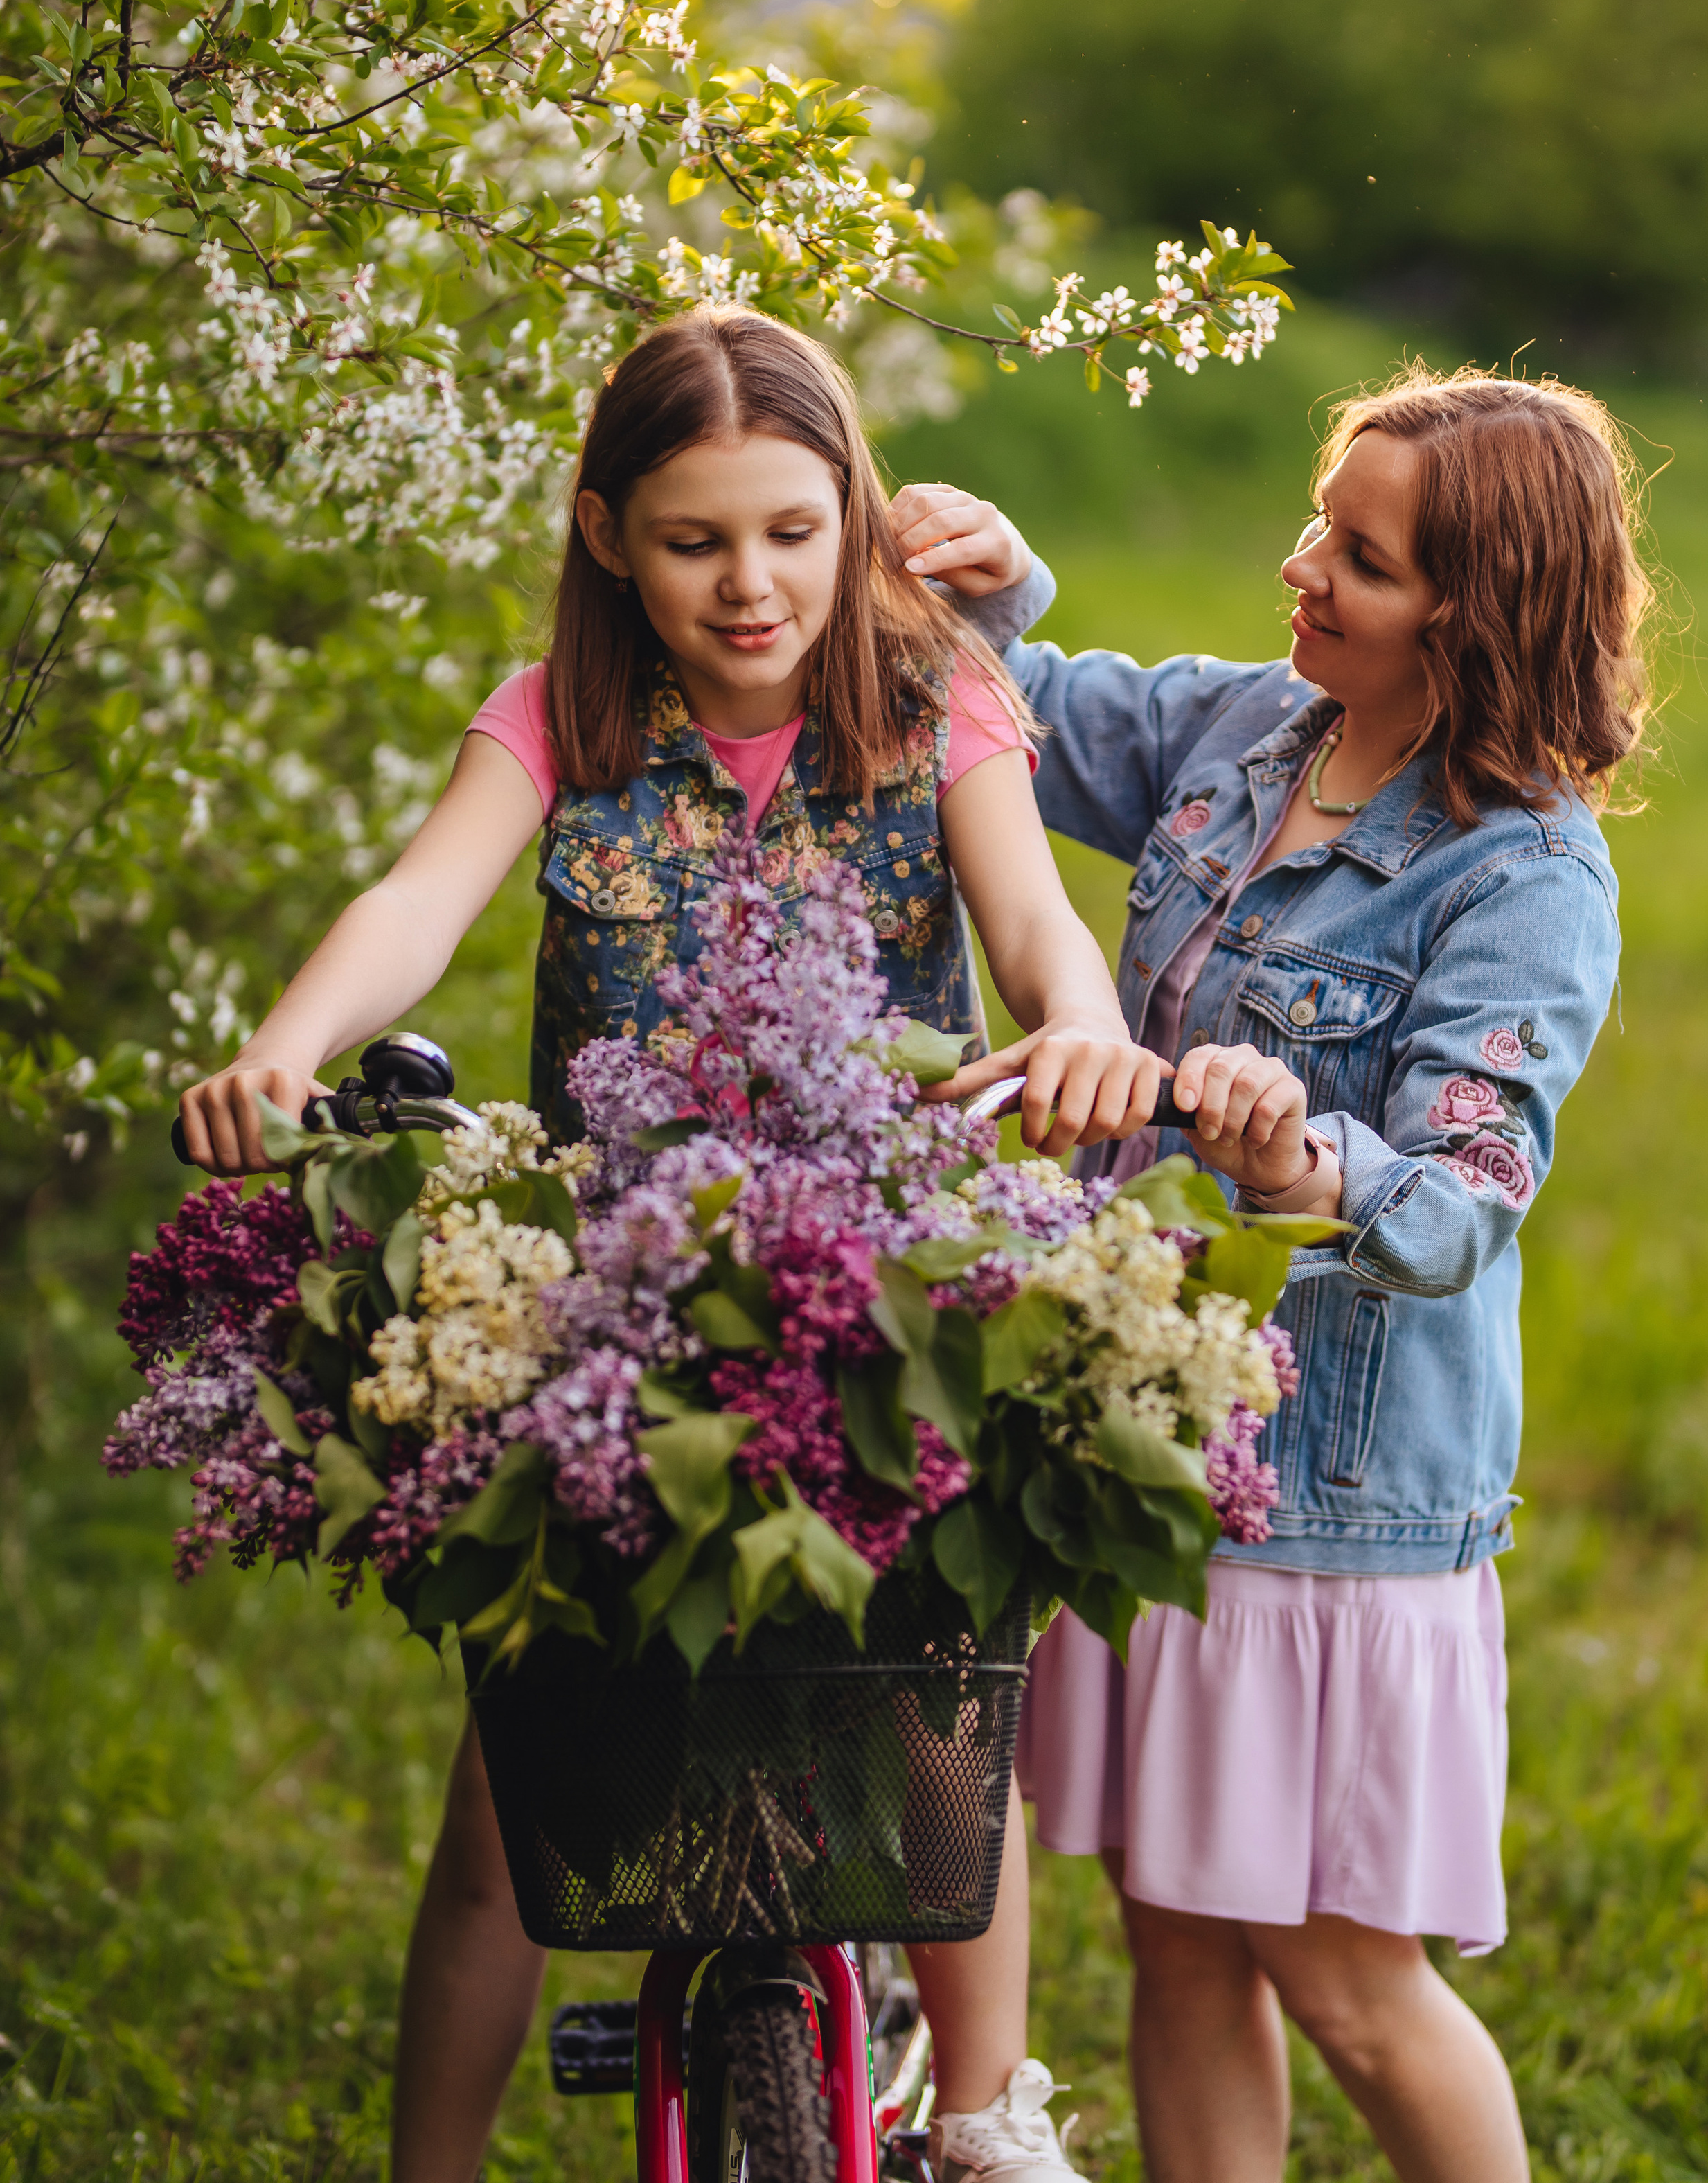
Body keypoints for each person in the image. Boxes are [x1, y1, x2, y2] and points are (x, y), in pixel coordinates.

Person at [178, 308, 1172, 2183]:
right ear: (607, 532)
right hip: (618, 1299)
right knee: (516, 1795)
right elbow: (419, 894)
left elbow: (1037, 928)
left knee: (939, 1695)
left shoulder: (933, 692)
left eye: (793, 532)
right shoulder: (566, 716)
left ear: (852, 515)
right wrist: (284, 1045)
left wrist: (1083, 1026)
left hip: (880, 1280)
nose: (751, 585)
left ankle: (985, 2119)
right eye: (697, 537)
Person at [896, 371, 1655, 2183]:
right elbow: (1044, 721)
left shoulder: (1524, 877)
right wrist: (991, 590)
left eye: (1362, 557)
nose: (1302, 564)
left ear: (1471, 618)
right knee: (1178, 1931)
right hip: (1154, 1458)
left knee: (1342, 1979)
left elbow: (1467, 1196)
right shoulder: (1256, 731)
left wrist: (1297, 1150)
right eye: (1323, 515)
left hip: (1328, 1515)